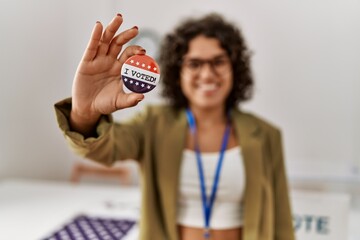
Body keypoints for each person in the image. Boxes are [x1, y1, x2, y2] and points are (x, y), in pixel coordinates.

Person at [54, 12, 295, 240]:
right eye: (194, 64)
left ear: (234, 68)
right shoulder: (153, 124)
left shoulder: (266, 135)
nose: (208, 74)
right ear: (177, 72)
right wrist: (85, 112)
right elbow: (102, 149)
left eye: (218, 61)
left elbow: (282, 222)